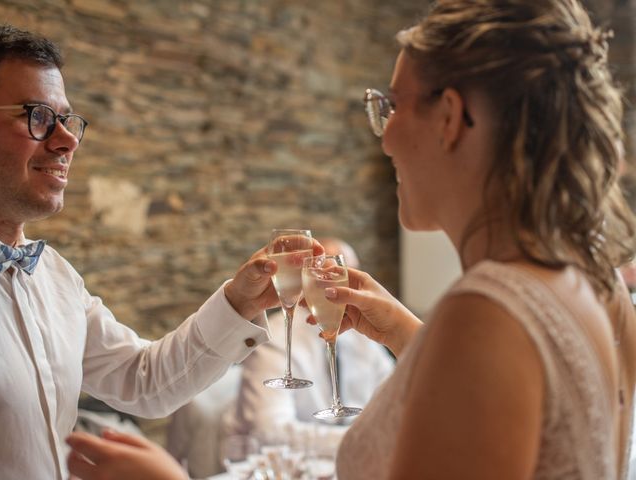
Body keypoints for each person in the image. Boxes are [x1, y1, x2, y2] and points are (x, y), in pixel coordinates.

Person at [66, 0, 636, 478]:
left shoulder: (485, 313)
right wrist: (408, 333)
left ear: (450, 117)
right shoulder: (601, 287)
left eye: (387, 106)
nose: (383, 137)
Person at [0, 24, 324, 480]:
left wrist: (241, 301)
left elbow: (143, 382)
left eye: (66, 119)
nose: (67, 140)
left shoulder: (55, 277)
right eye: (36, 116)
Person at [165, 238, 394, 477]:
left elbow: (392, 398)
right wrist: (356, 440)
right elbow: (269, 432)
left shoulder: (362, 337)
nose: (336, 283)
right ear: (307, 276)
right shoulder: (276, 340)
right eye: (325, 272)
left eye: (345, 274)